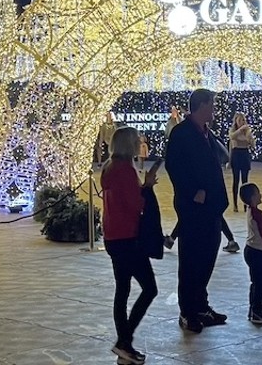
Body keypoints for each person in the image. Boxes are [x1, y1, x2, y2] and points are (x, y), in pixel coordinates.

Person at [163, 88, 230, 334]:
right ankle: (187, 312)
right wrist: (193, 191)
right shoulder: (182, 133)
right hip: (194, 207)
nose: (214, 109)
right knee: (191, 260)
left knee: (207, 257)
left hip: (212, 207)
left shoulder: (205, 132)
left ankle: (201, 306)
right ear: (201, 106)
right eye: (211, 105)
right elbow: (174, 166)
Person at [101, 127, 161, 365]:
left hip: (113, 237)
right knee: (149, 288)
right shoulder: (125, 170)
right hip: (127, 238)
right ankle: (124, 342)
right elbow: (136, 206)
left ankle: (125, 345)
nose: (140, 143)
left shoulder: (109, 168)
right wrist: (146, 186)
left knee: (122, 290)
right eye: (137, 140)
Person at [239, 183, 262, 326]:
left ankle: (253, 309)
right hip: (258, 252)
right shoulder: (258, 214)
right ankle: (258, 311)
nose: (261, 195)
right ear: (253, 197)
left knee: (255, 282)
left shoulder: (249, 211)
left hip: (250, 249)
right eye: (258, 193)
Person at [228, 113, 254, 210]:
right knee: (236, 180)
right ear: (236, 121)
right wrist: (240, 130)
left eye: (243, 120)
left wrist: (249, 136)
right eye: (239, 120)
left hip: (244, 154)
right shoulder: (233, 130)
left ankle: (245, 203)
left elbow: (251, 142)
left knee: (245, 181)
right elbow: (232, 137)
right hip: (236, 155)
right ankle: (235, 204)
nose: (242, 122)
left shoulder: (247, 131)